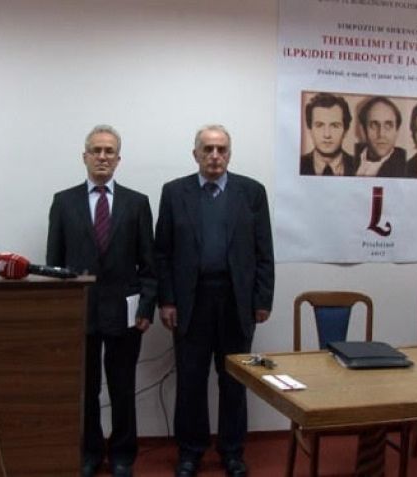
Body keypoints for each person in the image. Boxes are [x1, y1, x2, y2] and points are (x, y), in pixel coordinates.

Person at [155, 124, 274, 477]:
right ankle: (190, 452)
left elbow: (264, 251)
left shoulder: (252, 192)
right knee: (190, 380)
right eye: (207, 149)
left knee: (234, 380)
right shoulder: (174, 192)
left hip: (237, 301)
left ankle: (232, 452)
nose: (214, 155)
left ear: (229, 154)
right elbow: (162, 253)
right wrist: (167, 300)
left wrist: (262, 299)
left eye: (221, 149)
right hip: (190, 301)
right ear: (195, 154)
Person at [46, 124, 156, 477]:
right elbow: (54, 265)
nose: (103, 157)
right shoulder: (63, 202)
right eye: (97, 150)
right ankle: (90, 452)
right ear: (85, 157)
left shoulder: (137, 203)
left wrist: (146, 307)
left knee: (123, 388)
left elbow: (149, 265)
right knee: (86, 389)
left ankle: (123, 455)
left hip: (125, 312)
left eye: (109, 151)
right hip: (80, 312)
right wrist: (60, 313)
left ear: (118, 159)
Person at [299, 92, 357, 176]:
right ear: (310, 130)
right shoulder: (297, 165)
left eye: (335, 126)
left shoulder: (359, 167)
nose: (327, 135)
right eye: (319, 125)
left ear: (345, 131)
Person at [354, 95, 406, 177]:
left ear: (397, 131)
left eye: (388, 125)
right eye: (374, 125)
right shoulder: (349, 158)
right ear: (363, 130)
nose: (381, 134)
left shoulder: (404, 167)